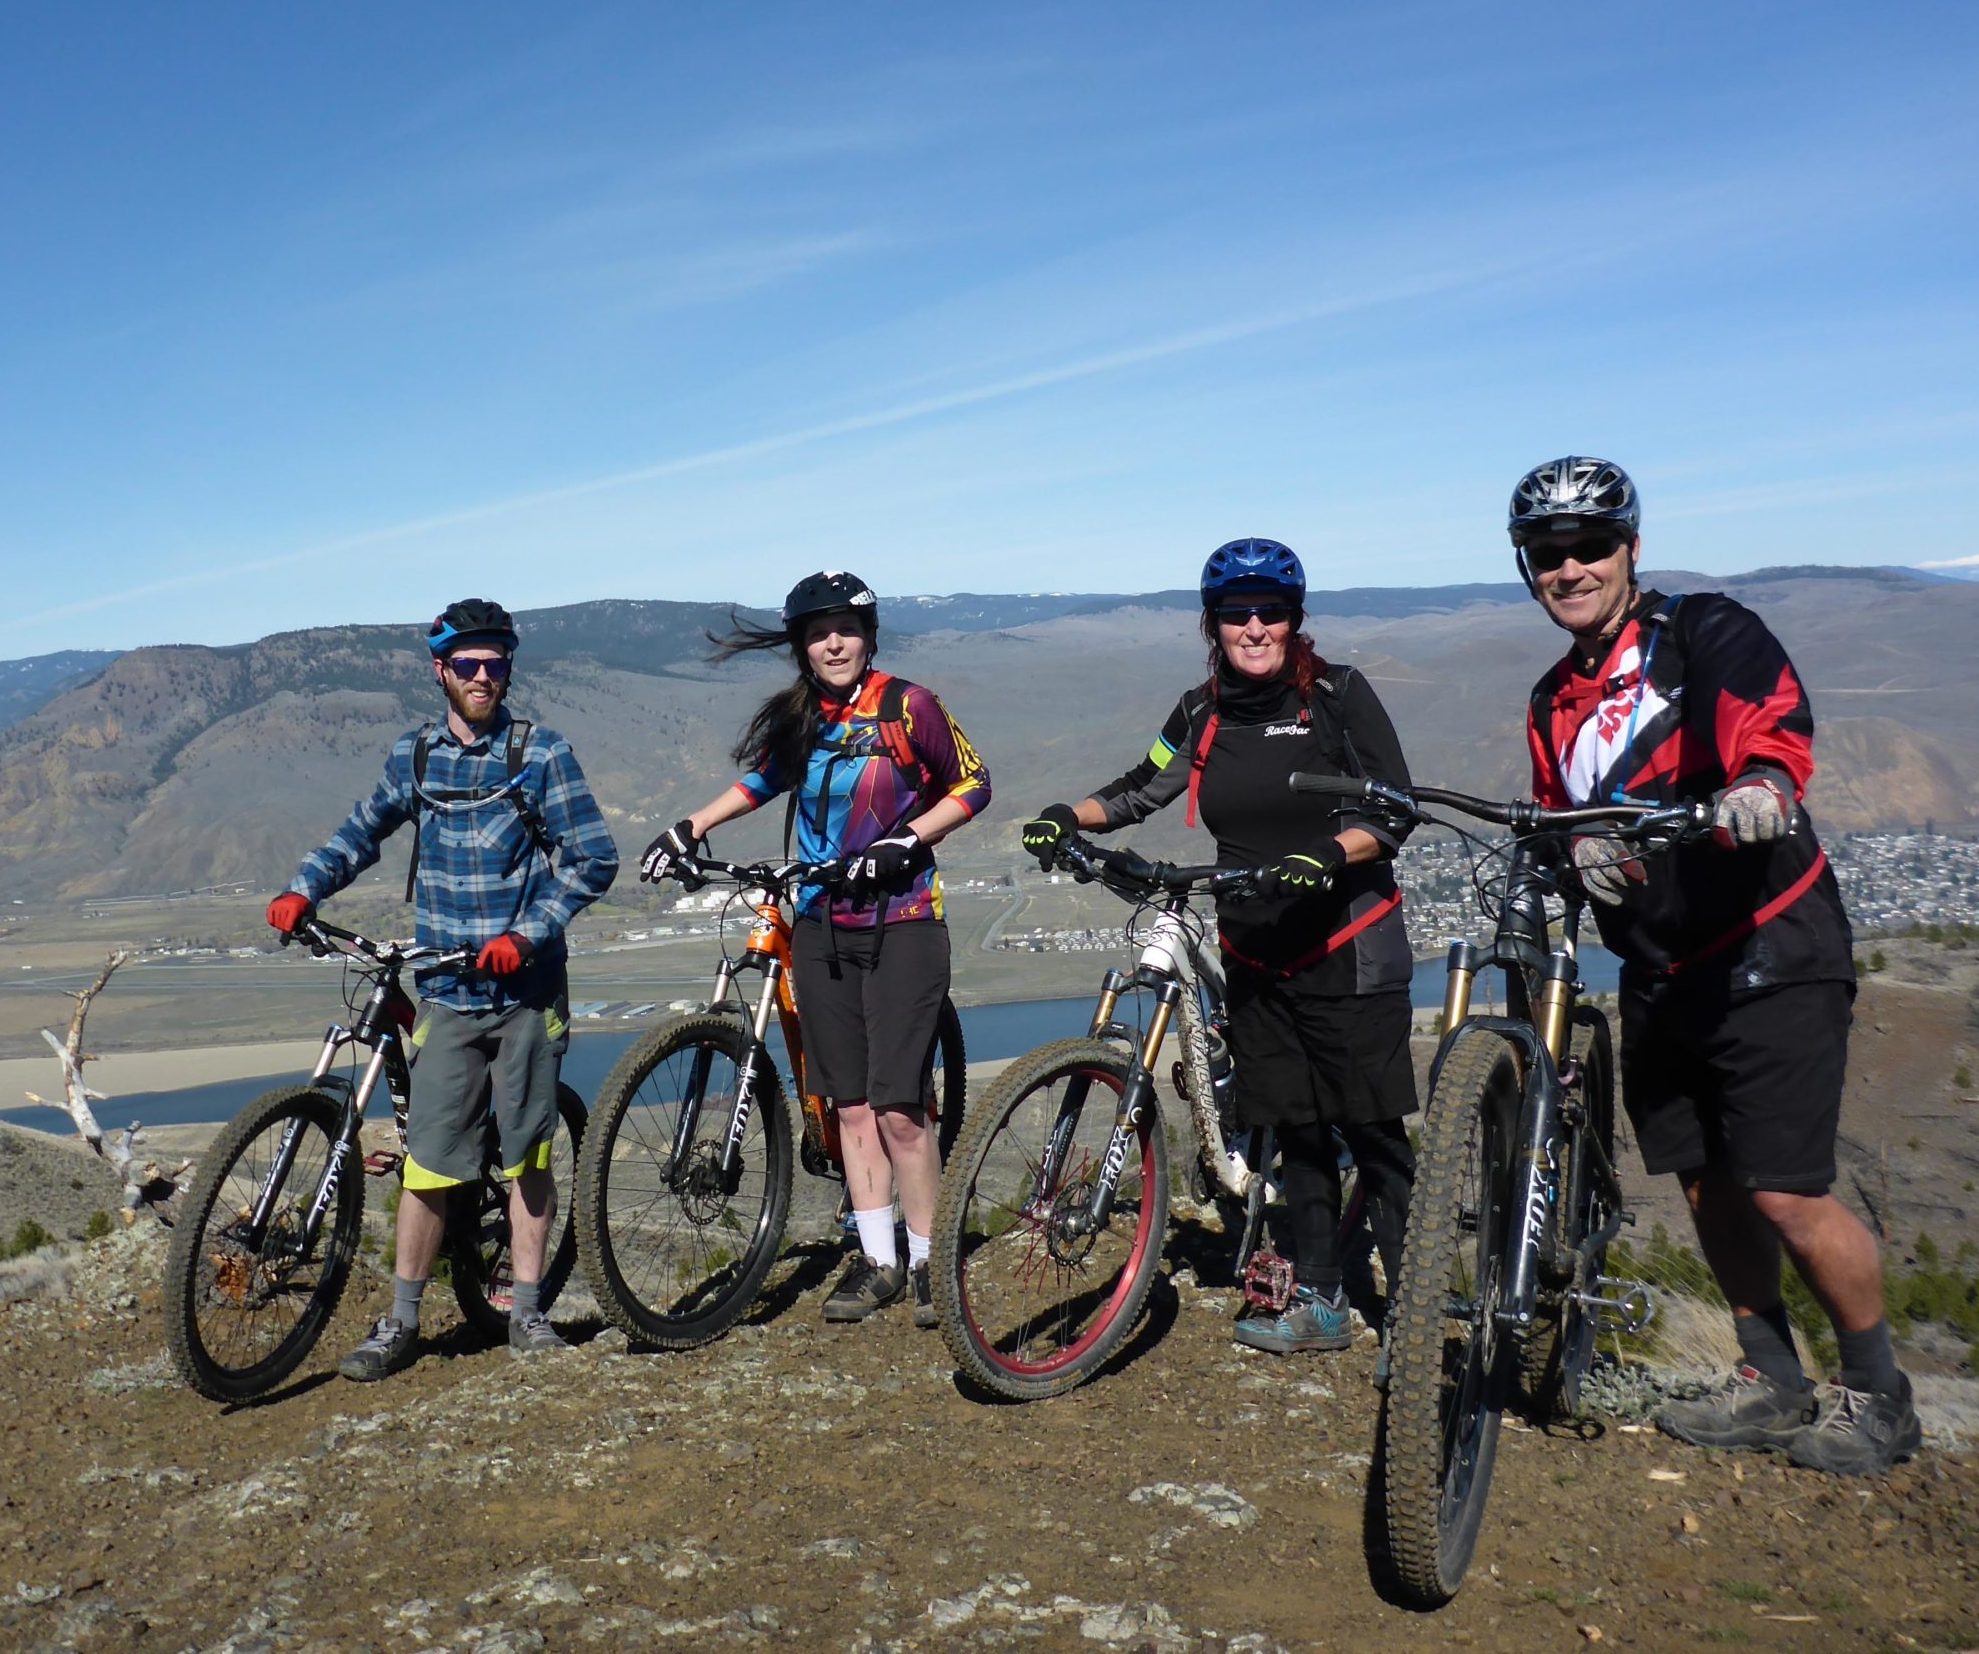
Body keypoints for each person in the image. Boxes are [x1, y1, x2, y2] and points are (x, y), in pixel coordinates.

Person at [1508, 455, 1916, 1473]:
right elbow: (1560, 811)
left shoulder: (1702, 631)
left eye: (1590, 546)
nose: (1570, 569)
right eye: (1548, 554)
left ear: (1630, 548)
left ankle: (1878, 1395)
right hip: (1661, 964)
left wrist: (1763, 783)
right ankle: (1769, 1378)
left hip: (1768, 943)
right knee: (1707, 1185)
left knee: (1784, 1190)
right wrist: (1575, 846)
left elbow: (1765, 721)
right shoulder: (1553, 696)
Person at [1020, 538, 1418, 1357]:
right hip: (1258, 952)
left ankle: (1417, 1310)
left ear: (1294, 619)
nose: (1255, 626)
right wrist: (1070, 814)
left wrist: (1331, 853)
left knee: (1373, 1132)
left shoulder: (1339, 696)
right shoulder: (1199, 712)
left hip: (1349, 944)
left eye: (1271, 611)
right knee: (1296, 1128)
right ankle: (1322, 1299)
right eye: (1237, 614)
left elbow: (1393, 807)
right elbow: (1143, 785)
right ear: (1213, 625)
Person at [266, 598, 619, 1377]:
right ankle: (400, 1325)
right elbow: (363, 830)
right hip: (447, 995)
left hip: (525, 993)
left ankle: (527, 1314)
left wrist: (526, 935)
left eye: (497, 663)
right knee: (428, 1164)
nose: (484, 676)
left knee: (525, 1157)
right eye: (469, 665)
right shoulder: (416, 756)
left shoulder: (541, 754)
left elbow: (593, 858)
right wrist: (305, 888)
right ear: (441, 671)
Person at [638, 570, 990, 1327]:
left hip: (903, 922)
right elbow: (765, 779)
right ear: (801, 645)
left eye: (848, 628)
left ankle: (931, 1262)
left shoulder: (907, 705)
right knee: (850, 1105)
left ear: (869, 636)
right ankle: (878, 1261)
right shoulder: (803, 714)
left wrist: (908, 839)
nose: (834, 642)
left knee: (900, 1108)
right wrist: (691, 827)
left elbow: (972, 783)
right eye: (818, 631)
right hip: (823, 923)